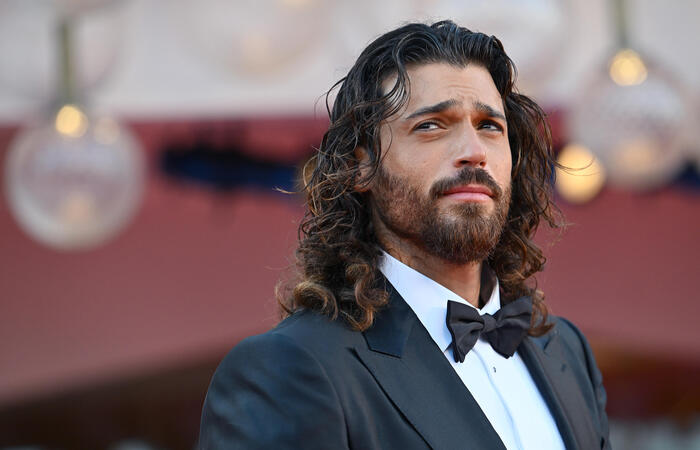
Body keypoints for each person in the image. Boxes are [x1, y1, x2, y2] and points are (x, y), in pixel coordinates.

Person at [199, 20, 610, 450]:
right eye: (431, 125)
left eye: (490, 126)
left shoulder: (567, 353)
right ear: (361, 166)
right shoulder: (289, 368)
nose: (474, 152)